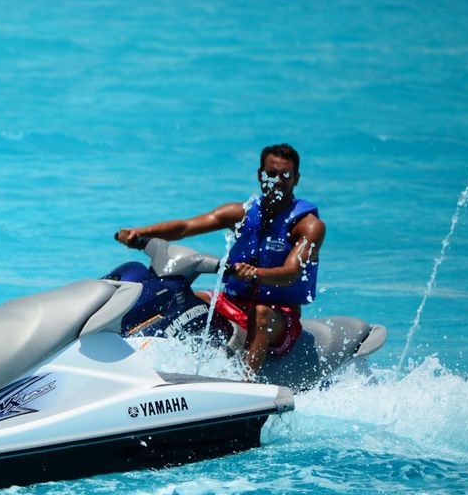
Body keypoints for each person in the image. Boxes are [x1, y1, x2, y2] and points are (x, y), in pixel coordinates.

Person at [116, 143, 325, 377]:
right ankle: (169, 364)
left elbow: (292, 272)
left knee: (261, 313)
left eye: (285, 175)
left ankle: (246, 384)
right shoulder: (242, 213)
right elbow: (185, 227)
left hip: (279, 315)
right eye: (271, 174)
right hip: (235, 302)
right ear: (260, 175)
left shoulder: (309, 226)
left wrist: (256, 273)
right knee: (186, 298)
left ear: (296, 178)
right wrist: (140, 234)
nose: (277, 181)